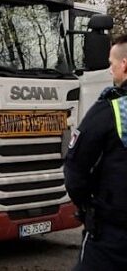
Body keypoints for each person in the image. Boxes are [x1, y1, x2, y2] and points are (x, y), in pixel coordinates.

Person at [65, 34, 127, 270]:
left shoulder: (111, 110)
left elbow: (75, 171)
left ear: (124, 65)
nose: (111, 72)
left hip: (113, 236)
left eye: (111, 65)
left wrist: (88, 206)